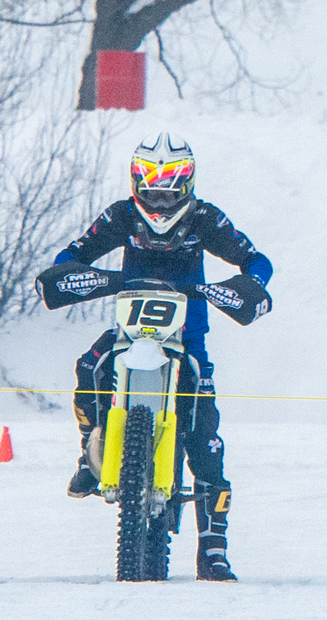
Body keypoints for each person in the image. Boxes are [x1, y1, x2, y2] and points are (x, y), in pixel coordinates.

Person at [49, 136, 273, 582]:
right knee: (89, 366)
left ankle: (213, 550)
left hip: (188, 337)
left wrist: (249, 285)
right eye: (151, 186)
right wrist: (76, 275)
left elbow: (254, 258)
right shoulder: (120, 215)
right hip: (128, 331)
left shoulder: (206, 218)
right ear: (136, 181)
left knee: (205, 438)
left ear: (187, 182)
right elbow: (72, 254)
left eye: (170, 186)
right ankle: (89, 454)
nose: (160, 196)